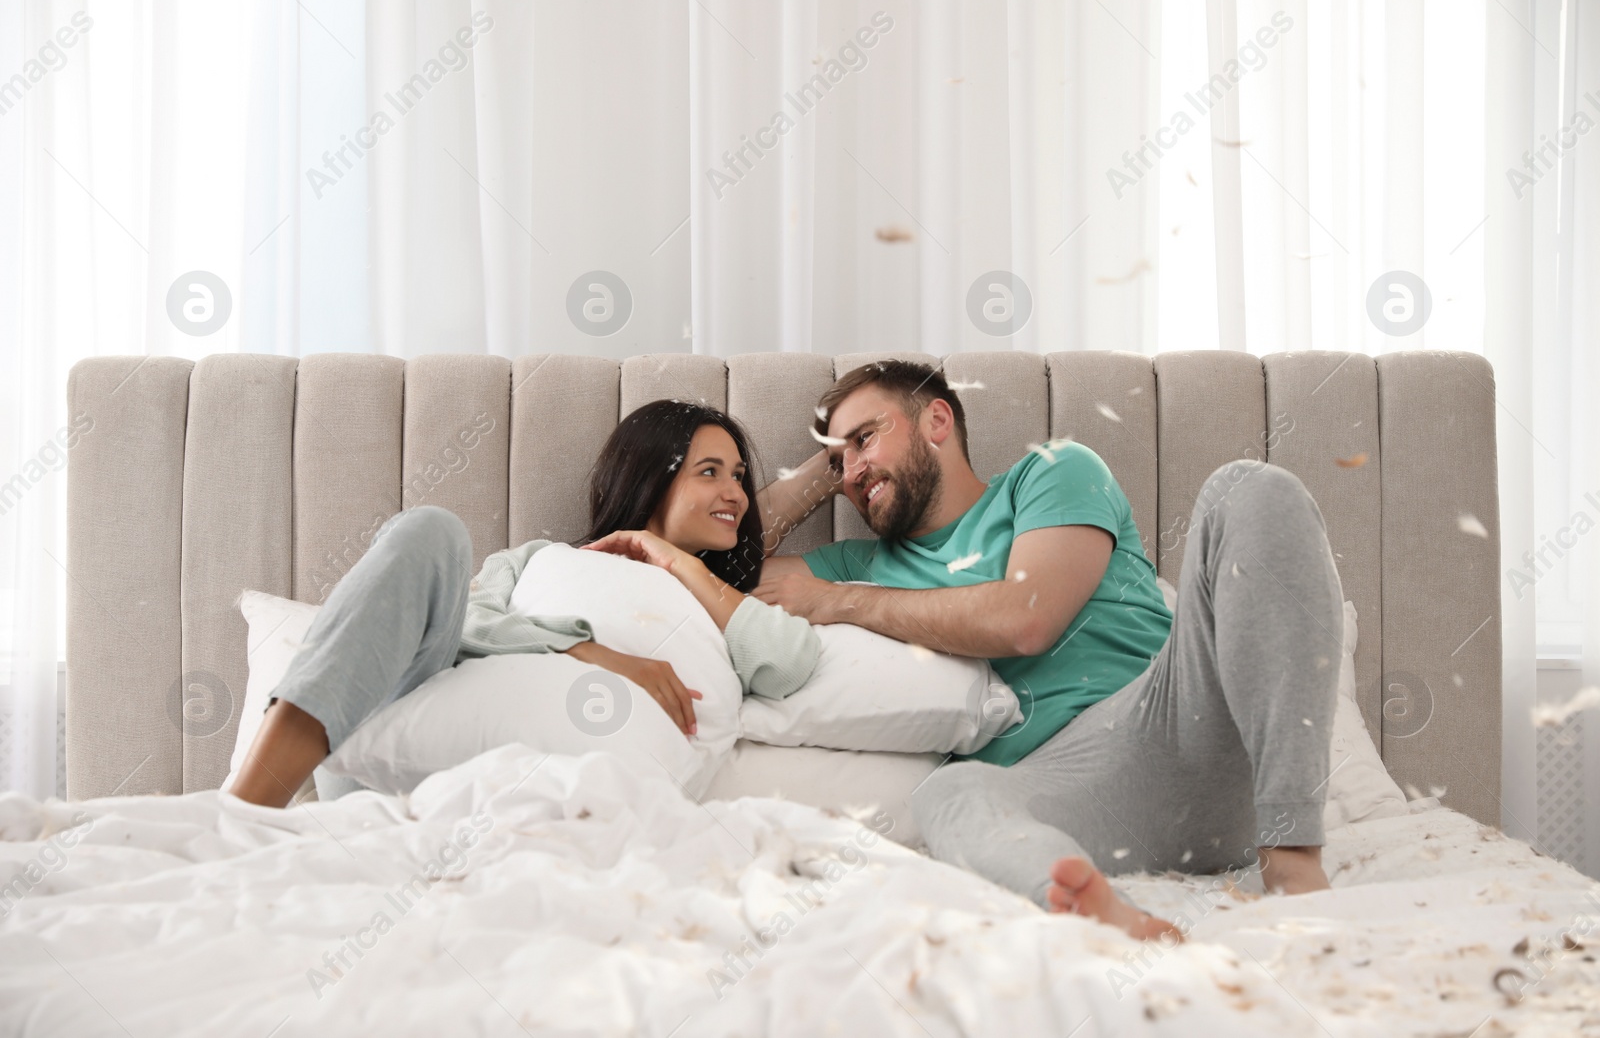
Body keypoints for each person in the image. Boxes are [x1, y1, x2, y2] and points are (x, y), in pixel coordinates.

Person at [754, 360, 1344, 943]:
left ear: (937, 419)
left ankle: (1292, 856)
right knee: (949, 794)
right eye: (840, 461)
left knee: (1250, 488)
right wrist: (832, 463)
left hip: (1176, 722)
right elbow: (718, 550)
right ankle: (1099, 910)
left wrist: (840, 602)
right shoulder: (858, 565)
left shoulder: (1051, 472)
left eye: (866, 436)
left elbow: (1025, 618)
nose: (853, 471)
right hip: (1073, 795)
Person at [228, 400, 821, 808]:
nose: (735, 493)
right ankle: (243, 813)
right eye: (709, 472)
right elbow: (470, 621)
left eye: (739, 476)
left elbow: (789, 660)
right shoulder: (542, 558)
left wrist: (681, 563)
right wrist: (592, 652)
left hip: (535, 800)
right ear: (649, 480)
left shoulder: (720, 600)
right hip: (391, 742)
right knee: (430, 532)